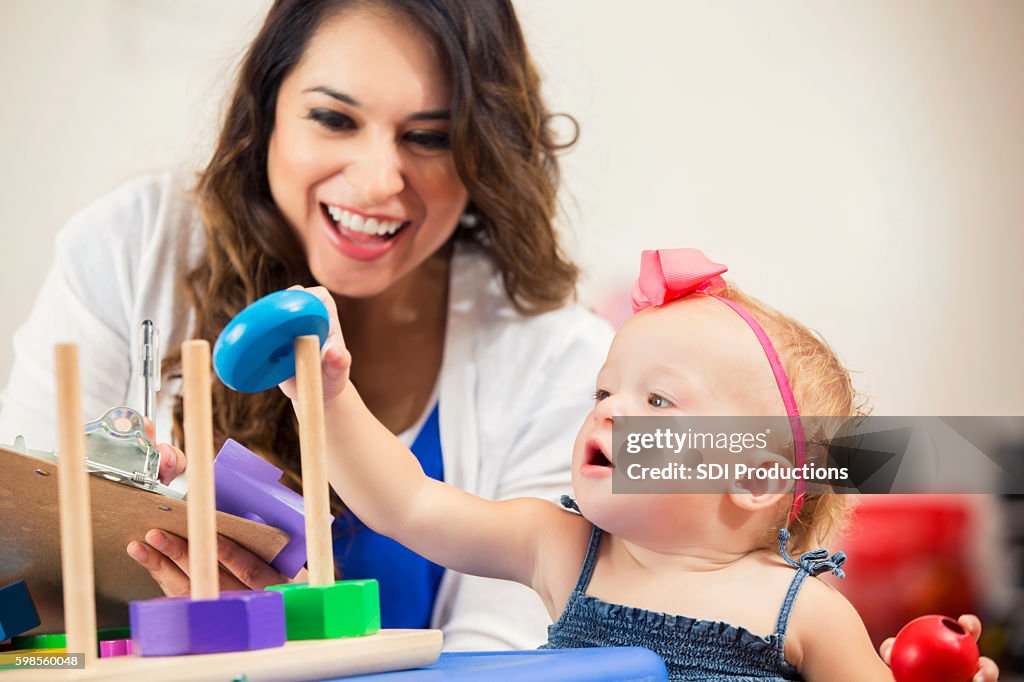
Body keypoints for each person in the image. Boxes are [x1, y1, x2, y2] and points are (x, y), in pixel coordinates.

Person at [0, 0, 614, 650]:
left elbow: (508, 654)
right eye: (333, 118)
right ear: (265, 111)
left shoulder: (563, 359)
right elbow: (23, 576)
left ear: (484, 150)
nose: (378, 183)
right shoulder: (136, 246)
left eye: (430, 136)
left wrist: (297, 648)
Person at [282, 248, 1001, 680]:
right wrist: (330, 398)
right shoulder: (562, 550)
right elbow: (408, 503)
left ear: (755, 476)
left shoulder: (809, 614)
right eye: (603, 390)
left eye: (658, 400)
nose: (608, 411)